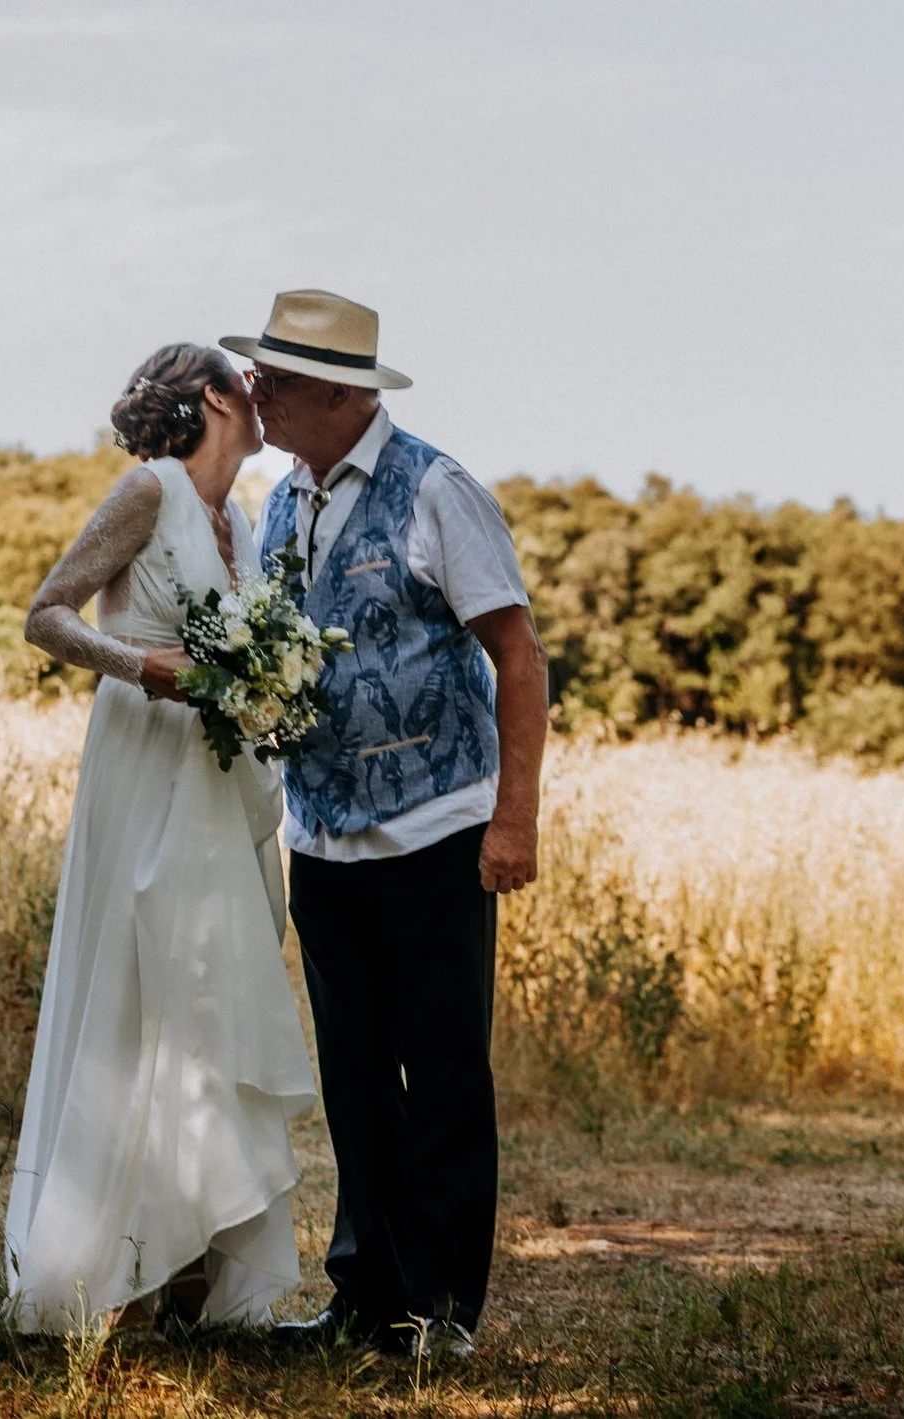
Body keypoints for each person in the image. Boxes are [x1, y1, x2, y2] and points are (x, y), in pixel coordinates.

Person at [220, 290, 549, 1359]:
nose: (253, 394)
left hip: (436, 830)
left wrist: (513, 820)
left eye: (271, 378)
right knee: (353, 1076)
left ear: (333, 390)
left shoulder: (436, 489)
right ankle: (362, 1299)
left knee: (442, 1072)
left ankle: (442, 1312)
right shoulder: (280, 499)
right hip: (321, 840)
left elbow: (516, 654)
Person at [3, 343, 318, 1336]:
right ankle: (114, 1269)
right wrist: (147, 670)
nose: (264, 403)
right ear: (219, 399)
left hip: (221, 782)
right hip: (146, 764)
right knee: (145, 992)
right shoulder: (147, 492)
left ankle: (192, 1264)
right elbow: (44, 616)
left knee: (216, 994)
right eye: (250, 387)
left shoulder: (243, 521)